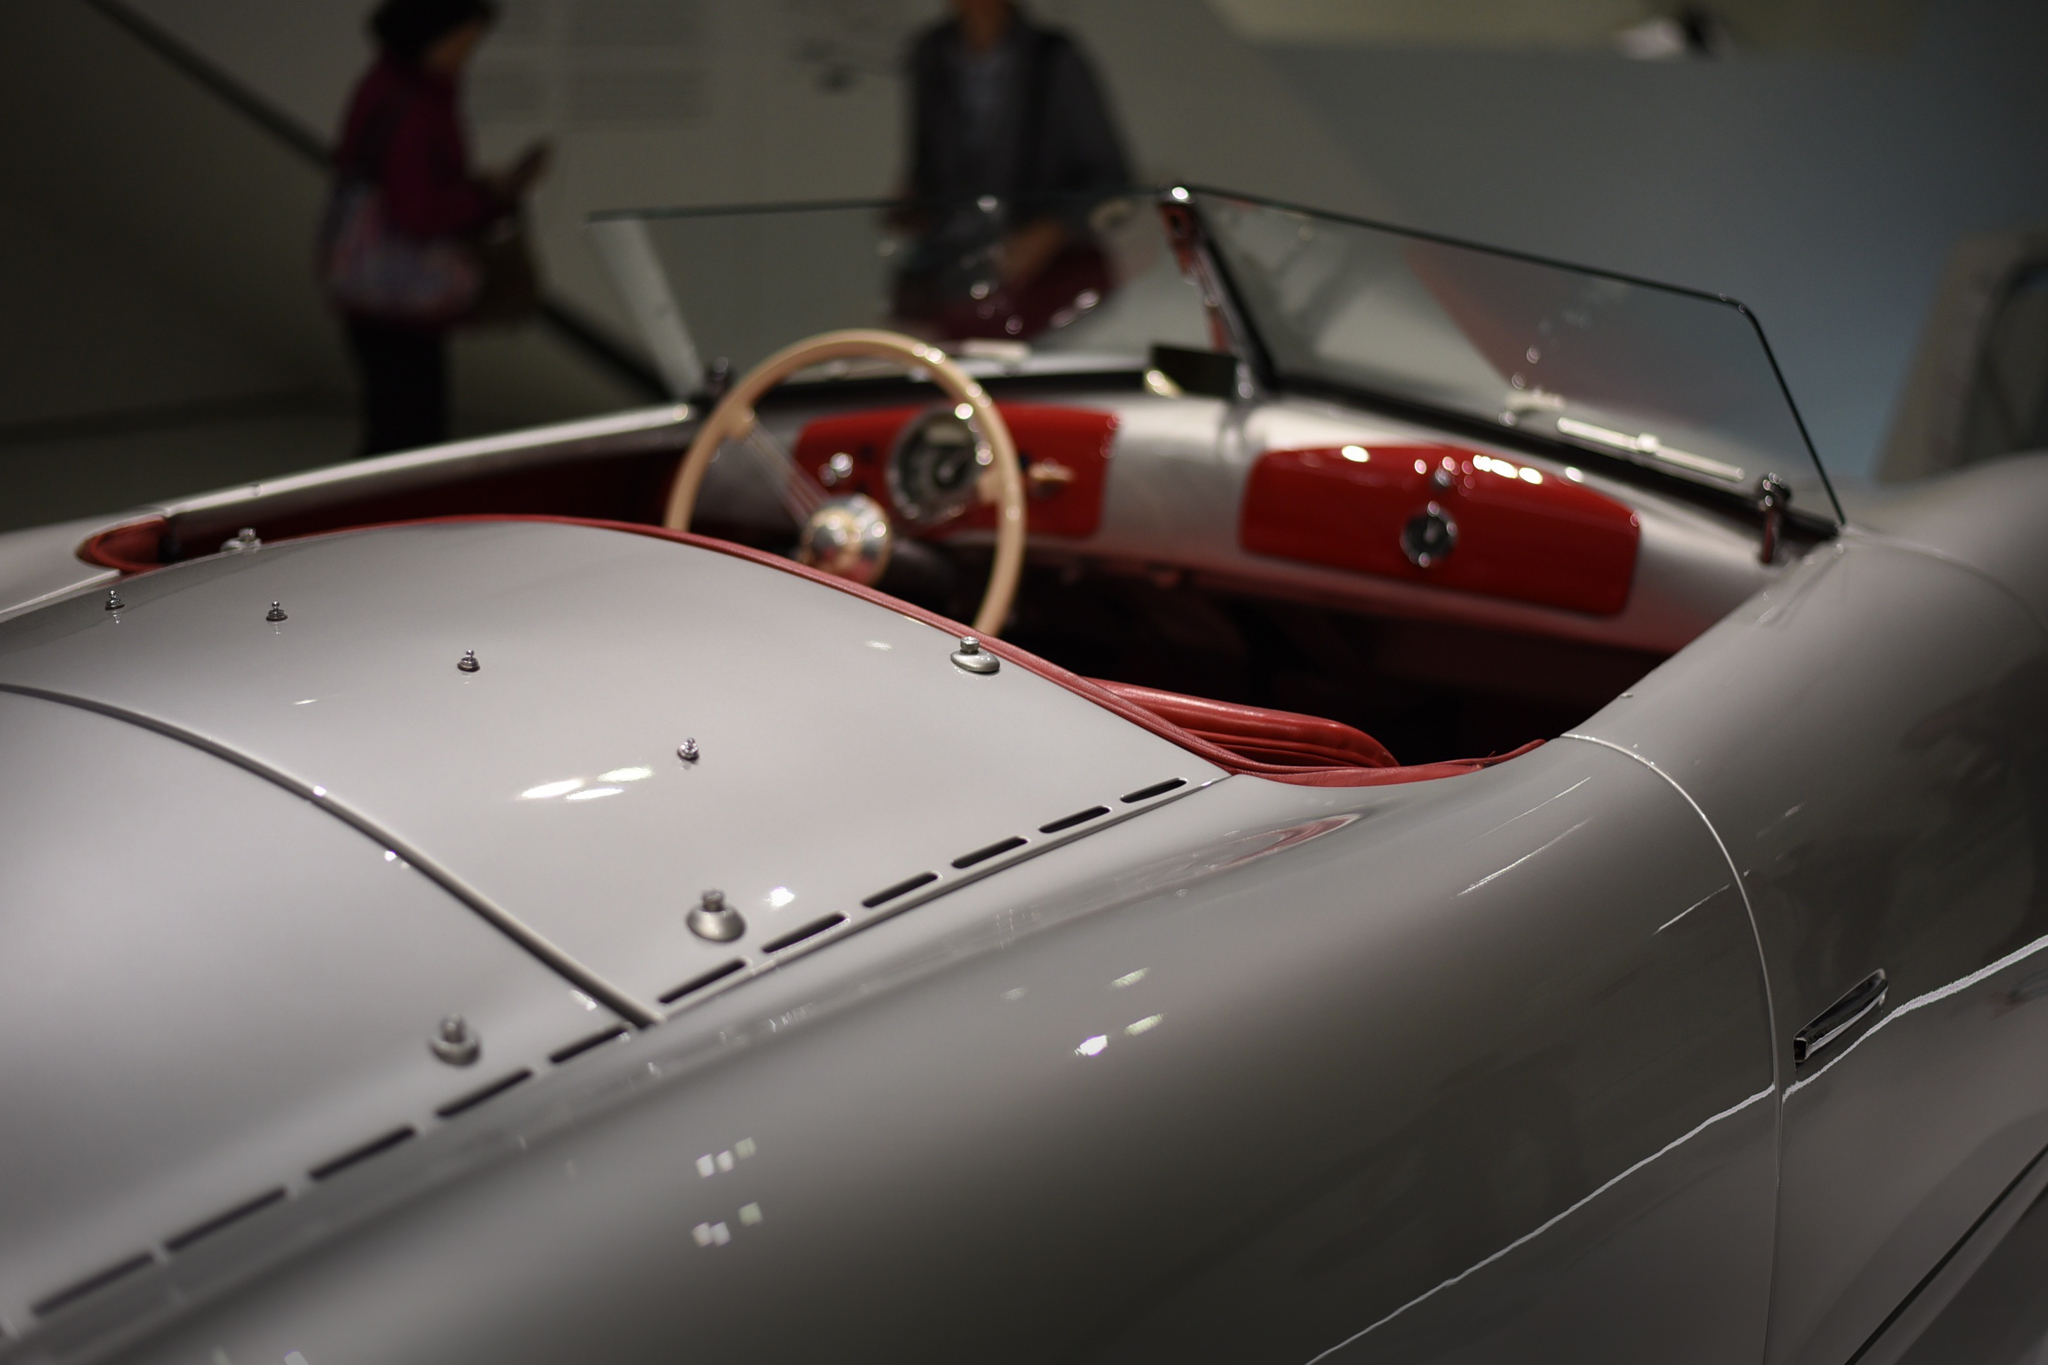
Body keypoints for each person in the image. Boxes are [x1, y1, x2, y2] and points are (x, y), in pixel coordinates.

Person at [328, 0, 547, 455]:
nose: (468, 54)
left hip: (380, 289)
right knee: (409, 431)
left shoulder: (394, 85)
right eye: (464, 43)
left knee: (397, 424)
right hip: (400, 294)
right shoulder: (414, 101)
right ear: (433, 35)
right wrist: (486, 199)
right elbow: (418, 210)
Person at [894, 0, 1130, 340]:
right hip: (957, 279)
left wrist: (1049, 231)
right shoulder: (932, 52)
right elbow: (927, 166)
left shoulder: (1052, 57)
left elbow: (1108, 179)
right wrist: (912, 205)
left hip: (1042, 287)